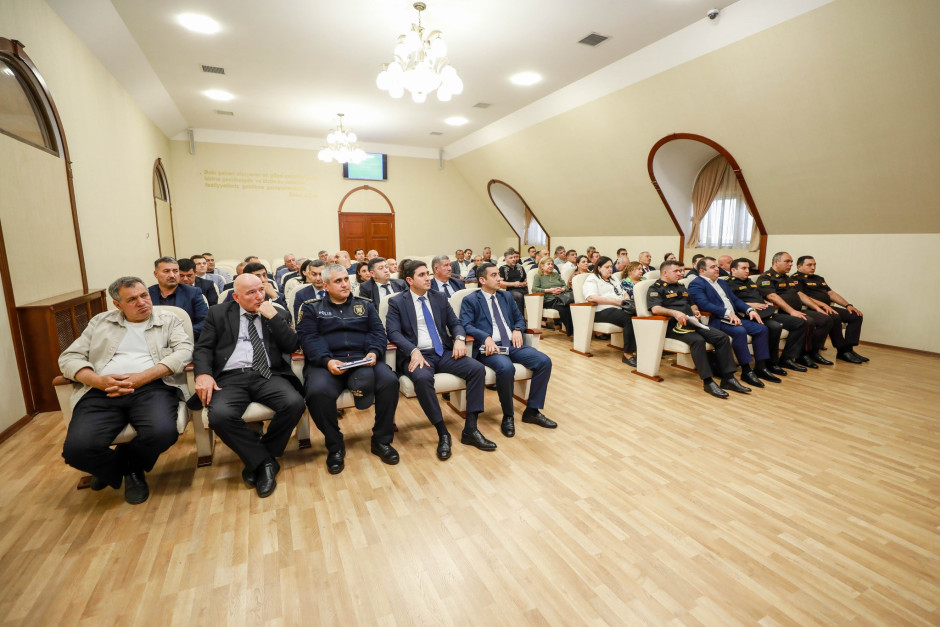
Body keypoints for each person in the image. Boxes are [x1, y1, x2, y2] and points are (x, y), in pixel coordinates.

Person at [59, 276, 192, 504]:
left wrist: (141, 378)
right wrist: (96, 380)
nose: (142, 302)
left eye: (144, 295)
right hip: (102, 390)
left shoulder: (169, 320)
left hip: (152, 387)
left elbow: (184, 351)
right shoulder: (100, 322)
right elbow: (69, 357)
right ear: (117, 305)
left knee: (162, 433)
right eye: (132, 299)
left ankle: (128, 469)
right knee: (76, 450)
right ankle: (127, 469)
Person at [192, 274, 305, 497]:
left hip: (268, 374)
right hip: (230, 377)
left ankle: (259, 458)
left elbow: (292, 345)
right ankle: (265, 462)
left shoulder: (276, 312)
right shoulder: (218, 313)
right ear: (236, 297)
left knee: (294, 404)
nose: (259, 296)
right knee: (220, 416)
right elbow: (203, 348)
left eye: (261, 290)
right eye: (251, 293)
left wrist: (274, 318)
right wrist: (203, 374)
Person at [297, 264, 400, 473]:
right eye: (338, 281)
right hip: (327, 363)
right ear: (326, 285)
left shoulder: (365, 305)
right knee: (316, 392)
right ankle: (335, 445)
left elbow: (378, 333)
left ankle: (381, 440)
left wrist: (374, 352)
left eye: (346, 279)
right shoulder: (311, 308)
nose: (345, 284)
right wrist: (327, 361)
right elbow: (309, 339)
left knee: (390, 382)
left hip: (363, 359)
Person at [385, 260, 495, 457]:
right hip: (418, 355)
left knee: (477, 369)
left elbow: (455, 323)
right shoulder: (397, 302)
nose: (427, 278)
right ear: (409, 280)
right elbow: (393, 332)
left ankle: (471, 429)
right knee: (422, 378)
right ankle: (442, 432)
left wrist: (459, 339)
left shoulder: (439, 297)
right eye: (421, 275)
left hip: (442, 352)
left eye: (427, 273)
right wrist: (412, 350)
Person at [460, 262, 557, 436]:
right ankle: (508, 415)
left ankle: (532, 411)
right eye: (494, 275)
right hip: (490, 348)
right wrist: (485, 337)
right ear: (482, 280)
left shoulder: (506, 296)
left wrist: (518, 329)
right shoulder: (471, 300)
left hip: (512, 345)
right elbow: (465, 325)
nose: (499, 278)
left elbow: (519, 318)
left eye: (499, 274)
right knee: (506, 368)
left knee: (544, 361)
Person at [647, 260, 750, 398]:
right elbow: (655, 308)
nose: (681, 273)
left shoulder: (681, 286)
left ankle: (728, 378)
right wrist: (675, 313)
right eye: (676, 271)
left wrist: (695, 311)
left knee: (722, 337)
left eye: (681, 271)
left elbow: (692, 303)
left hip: (693, 322)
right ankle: (708, 382)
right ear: (665, 272)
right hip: (673, 326)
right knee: (698, 340)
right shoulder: (656, 288)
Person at [688, 257, 781, 387]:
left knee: (762, 329)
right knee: (739, 331)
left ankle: (761, 367)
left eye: (717, 266)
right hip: (717, 319)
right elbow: (704, 304)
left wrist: (749, 310)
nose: (717, 269)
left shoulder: (722, 282)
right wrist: (726, 312)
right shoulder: (697, 284)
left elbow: (735, 300)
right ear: (702, 271)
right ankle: (746, 370)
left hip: (734, 317)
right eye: (712, 267)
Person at [727, 257, 807, 374]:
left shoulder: (749, 281)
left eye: (748, 268)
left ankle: (787, 358)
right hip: (750, 315)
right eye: (744, 268)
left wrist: (766, 302)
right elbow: (730, 302)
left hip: (766, 312)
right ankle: (770, 363)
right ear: (733, 270)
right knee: (775, 326)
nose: (747, 271)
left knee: (799, 322)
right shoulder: (728, 284)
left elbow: (759, 296)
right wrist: (749, 305)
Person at [757, 252, 835, 369]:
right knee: (807, 321)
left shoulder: (787, 278)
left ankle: (813, 352)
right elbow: (772, 296)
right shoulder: (765, 278)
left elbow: (800, 294)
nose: (790, 264)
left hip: (796, 309)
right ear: (776, 262)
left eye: (791, 262)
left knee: (826, 319)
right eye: (787, 261)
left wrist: (817, 308)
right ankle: (798, 356)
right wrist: (791, 311)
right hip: (783, 312)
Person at [793, 256, 867, 363]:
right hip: (812, 308)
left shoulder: (818, 278)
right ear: (799, 267)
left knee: (855, 315)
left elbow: (831, 294)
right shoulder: (795, 279)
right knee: (834, 317)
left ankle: (848, 349)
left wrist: (848, 305)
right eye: (809, 265)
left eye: (814, 264)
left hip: (827, 307)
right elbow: (802, 296)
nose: (813, 267)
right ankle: (841, 350)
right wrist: (822, 305)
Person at [582, 256, 637, 366]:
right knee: (629, 318)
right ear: (599, 268)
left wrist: (626, 300)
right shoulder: (592, 279)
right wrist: (616, 302)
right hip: (601, 310)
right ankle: (627, 354)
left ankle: (641, 350)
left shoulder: (614, 278)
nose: (610, 269)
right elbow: (591, 297)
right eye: (607, 267)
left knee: (639, 316)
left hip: (619, 307)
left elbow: (624, 292)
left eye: (611, 266)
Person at [148, 256, 208, 338]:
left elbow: (205, 322)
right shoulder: (147, 294)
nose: (172, 275)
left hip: (186, 338)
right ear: (156, 274)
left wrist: (179, 334)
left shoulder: (193, 293)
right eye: (166, 271)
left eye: (175, 271)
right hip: (154, 339)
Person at [532, 255, 573, 336]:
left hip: (561, 297)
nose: (551, 266)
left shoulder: (556, 275)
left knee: (573, 306)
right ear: (542, 266)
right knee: (564, 308)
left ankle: (575, 330)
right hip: (549, 300)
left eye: (552, 264)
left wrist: (561, 289)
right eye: (548, 264)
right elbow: (534, 289)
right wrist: (549, 290)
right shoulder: (538, 276)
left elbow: (565, 286)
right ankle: (572, 332)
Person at [498, 248, 528, 313]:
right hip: (511, 290)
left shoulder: (520, 267)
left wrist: (524, 283)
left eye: (514, 257)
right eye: (511, 258)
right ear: (505, 259)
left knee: (532, 296)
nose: (514, 259)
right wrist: (513, 284)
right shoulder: (502, 268)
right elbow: (500, 282)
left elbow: (525, 280)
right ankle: (520, 317)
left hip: (522, 288)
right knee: (518, 296)